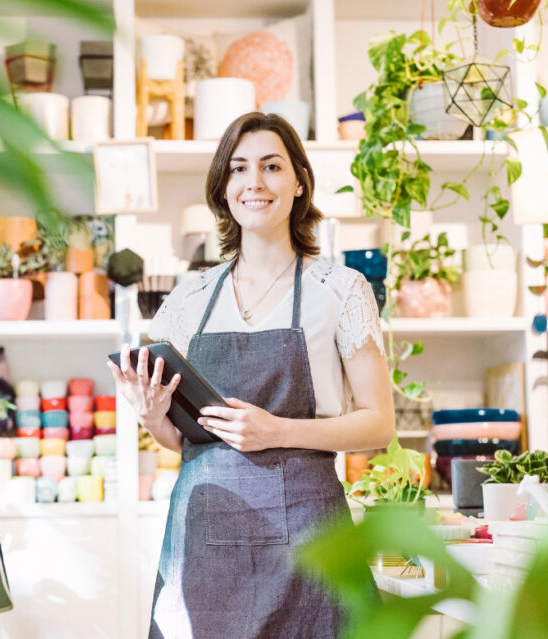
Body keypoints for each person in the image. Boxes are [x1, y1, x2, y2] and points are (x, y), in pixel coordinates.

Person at [106, 112, 395, 638]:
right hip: (206, 543)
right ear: (223, 187)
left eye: (271, 166)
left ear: (299, 181)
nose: (254, 182)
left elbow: (378, 424)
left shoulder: (341, 288)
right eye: (238, 169)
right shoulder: (188, 300)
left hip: (312, 542)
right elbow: (185, 440)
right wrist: (152, 417)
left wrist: (280, 431)